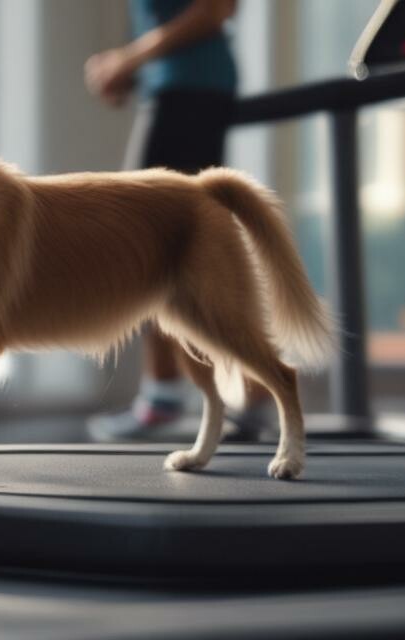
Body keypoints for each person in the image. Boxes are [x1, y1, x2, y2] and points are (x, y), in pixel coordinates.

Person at [84, 0, 270, 442]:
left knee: (162, 244)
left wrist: (129, 58)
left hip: (190, 91)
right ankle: (204, 390)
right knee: (162, 245)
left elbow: (216, 8)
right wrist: (134, 70)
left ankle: (213, 390)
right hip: (173, 90)